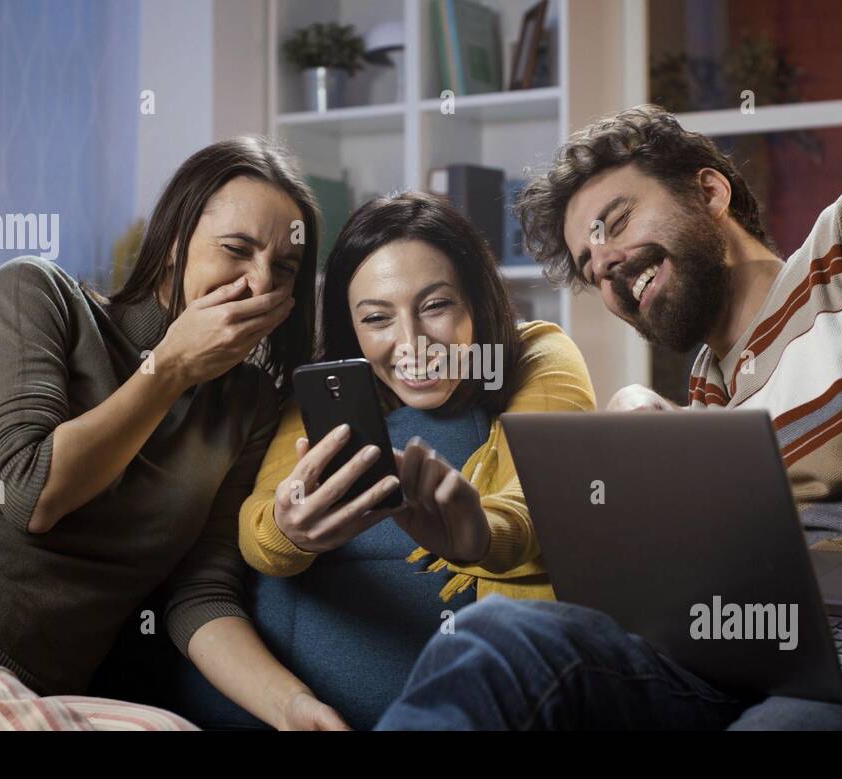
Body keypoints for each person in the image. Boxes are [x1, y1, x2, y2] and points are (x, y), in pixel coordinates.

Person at [374, 105, 842, 730]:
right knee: (494, 638)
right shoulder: (708, 398)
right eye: (592, 267)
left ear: (710, 191)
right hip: (769, 654)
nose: (609, 267)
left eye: (615, 222)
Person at [0, 137, 331, 730]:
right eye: (237, 249)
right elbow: (31, 495)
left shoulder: (246, 407)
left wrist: (292, 706)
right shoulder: (38, 296)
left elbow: (199, 596)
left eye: (284, 268)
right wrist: (169, 369)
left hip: (11, 691)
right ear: (176, 240)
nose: (260, 282)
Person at [233, 192, 596, 728]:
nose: (412, 343)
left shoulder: (536, 355)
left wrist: (480, 536)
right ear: (350, 328)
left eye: (435, 306)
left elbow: (541, 498)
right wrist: (291, 529)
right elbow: (258, 522)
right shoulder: (331, 392)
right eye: (377, 318)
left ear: (477, 299)